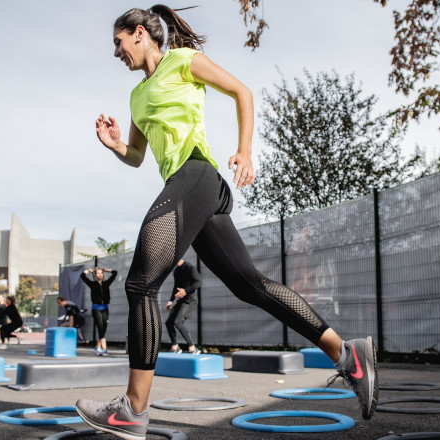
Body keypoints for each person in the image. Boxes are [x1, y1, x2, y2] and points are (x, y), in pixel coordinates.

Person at [75, 6, 378, 439]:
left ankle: (132, 410)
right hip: (191, 190)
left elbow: (242, 92)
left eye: (118, 43)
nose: (117, 52)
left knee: (141, 283)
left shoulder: (181, 61)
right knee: (249, 285)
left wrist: (245, 149)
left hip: (197, 174)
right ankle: (348, 355)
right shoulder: (137, 97)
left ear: (139, 33)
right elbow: (139, 156)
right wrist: (115, 144)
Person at [165, 259, 201, 355]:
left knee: (178, 322)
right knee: (168, 322)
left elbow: (198, 282)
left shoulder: (189, 267)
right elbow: (176, 287)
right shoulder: (176, 270)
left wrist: (185, 291)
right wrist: (171, 300)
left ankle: (192, 348)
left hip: (190, 300)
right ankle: (175, 347)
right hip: (181, 301)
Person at [81, 267, 117, 355]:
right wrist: (89, 271)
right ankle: (104, 349)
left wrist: (107, 270)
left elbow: (115, 273)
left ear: (103, 274)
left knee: (104, 328)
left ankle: (97, 346)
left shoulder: (106, 283)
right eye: (98, 273)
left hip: (105, 308)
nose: (100, 275)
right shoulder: (92, 284)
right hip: (96, 309)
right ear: (95, 275)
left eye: (101, 273)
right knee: (100, 328)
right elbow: (82, 276)